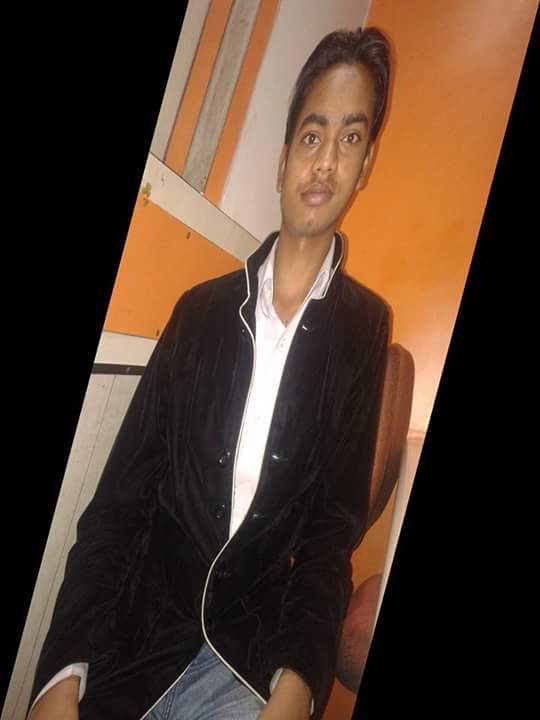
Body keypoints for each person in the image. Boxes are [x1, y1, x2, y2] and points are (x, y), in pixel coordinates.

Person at [28, 25, 392, 720]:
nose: (325, 162)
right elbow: (118, 506)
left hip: (250, 655)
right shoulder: (197, 313)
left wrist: (298, 683)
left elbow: (328, 533)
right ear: (283, 159)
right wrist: (60, 674)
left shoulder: (366, 327)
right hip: (139, 637)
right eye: (312, 136)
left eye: (349, 138)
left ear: (367, 160)